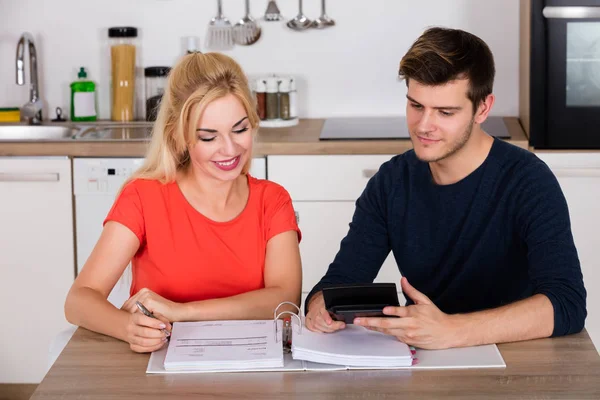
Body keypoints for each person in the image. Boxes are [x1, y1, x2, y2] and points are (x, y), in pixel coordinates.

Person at [305, 27, 586, 349]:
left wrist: (453, 330)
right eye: (416, 105)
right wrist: (319, 307)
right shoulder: (391, 181)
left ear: (482, 108)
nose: (424, 126)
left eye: (445, 112)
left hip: (515, 356)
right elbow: (339, 282)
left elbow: (568, 303)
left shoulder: (527, 181)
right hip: (425, 356)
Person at [65, 52, 302, 353]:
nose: (229, 149)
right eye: (208, 137)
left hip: (252, 369)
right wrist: (128, 328)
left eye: (240, 129)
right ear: (179, 137)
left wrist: (183, 312)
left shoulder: (272, 200)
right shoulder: (143, 196)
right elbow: (79, 300)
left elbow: (284, 301)